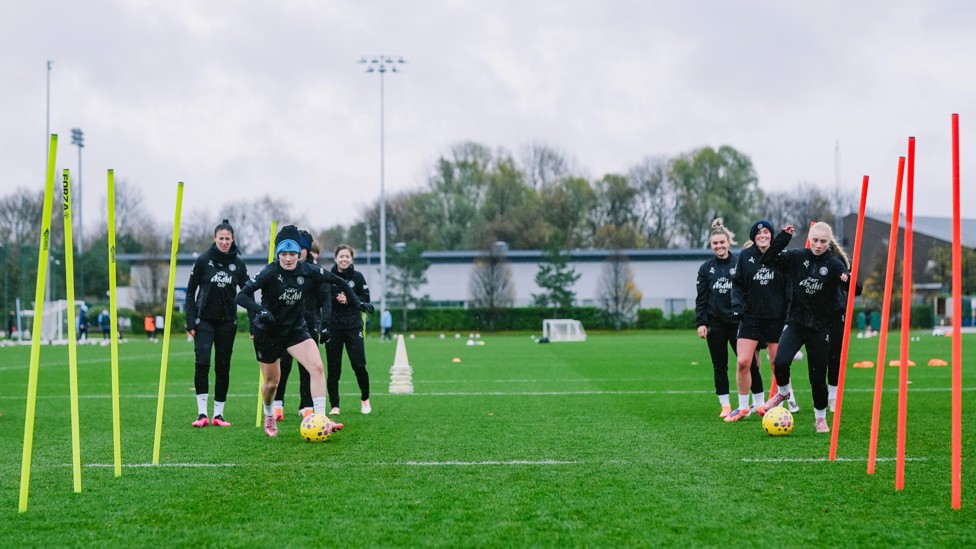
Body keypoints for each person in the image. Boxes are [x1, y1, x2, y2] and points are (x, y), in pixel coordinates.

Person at [236, 225, 374, 437]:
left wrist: (356, 303)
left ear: (300, 253)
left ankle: (321, 418)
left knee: (317, 367)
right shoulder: (270, 272)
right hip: (269, 332)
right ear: (278, 254)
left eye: (293, 253)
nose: (289, 258)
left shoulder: (308, 270)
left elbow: (338, 281)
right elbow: (242, 296)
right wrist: (260, 311)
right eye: (284, 253)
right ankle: (269, 413)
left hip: (295, 330)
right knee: (272, 383)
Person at [759, 222, 853, 433]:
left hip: (820, 328)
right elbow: (767, 259)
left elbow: (856, 290)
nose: (818, 245)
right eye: (815, 240)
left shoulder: (833, 263)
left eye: (823, 241)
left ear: (829, 242)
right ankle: (783, 392)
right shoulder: (797, 256)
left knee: (817, 378)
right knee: (780, 361)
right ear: (809, 238)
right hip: (796, 322)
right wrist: (783, 237)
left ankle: (820, 418)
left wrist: (848, 279)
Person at [725, 220, 795, 423]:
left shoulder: (780, 257)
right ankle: (744, 407)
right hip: (750, 317)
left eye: (766, 232)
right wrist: (737, 307)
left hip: (776, 317)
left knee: (777, 364)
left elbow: (789, 287)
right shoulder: (746, 256)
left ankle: (778, 407)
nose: (762, 235)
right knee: (743, 362)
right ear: (753, 237)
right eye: (758, 233)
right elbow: (737, 284)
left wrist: (788, 313)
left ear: (772, 236)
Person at [695, 219, 764, 419]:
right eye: (715, 243)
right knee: (720, 366)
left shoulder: (739, 263)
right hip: (715, 324)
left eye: (722, 242)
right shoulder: (705, 268)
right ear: (711, 246)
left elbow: (750, 293)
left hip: (739, 323)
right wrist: (701, 322)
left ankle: (759, 403)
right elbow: (701, 299)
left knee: (749, 364)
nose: (719, 246)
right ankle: (725, 405)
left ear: (728, 242)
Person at [184, 219, 250, 428]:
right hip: (204, 321)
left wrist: (255, 320)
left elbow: (247, 293)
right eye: (220, 238)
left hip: (227, 323)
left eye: (227, 239)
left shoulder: (238, 264)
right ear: (214, 239)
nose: (224, 242)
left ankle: (218, 415)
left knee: (223, 367)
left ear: (233, 240)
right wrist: (190, 320)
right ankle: (202, 413)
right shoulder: (204, 260)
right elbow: (190, 291)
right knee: (202, 363)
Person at [272, 230, 330, 420]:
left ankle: (307, 406)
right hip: (285, 324)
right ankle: (278, 404)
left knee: (310, 367)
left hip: (309, 322)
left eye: (304, 249)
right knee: (283, 364)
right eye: (301, 248)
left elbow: (326, 298)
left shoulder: (314, 272)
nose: (302, 253)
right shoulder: (282, 270)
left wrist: (326, 324)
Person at [325, 244, 373, 415]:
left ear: (352, 259)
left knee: (359, 365)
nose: (344, 259)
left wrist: (349, 299)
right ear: (335, 258)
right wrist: (335, 298)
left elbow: (365, 299)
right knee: (333, 368)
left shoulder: (358, 277)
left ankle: (365, 399)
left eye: (347, 256)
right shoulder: (328, 277)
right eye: (341, 256)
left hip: (353, 327)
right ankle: (335, 406)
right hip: (334, 328)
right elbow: (323, 299)